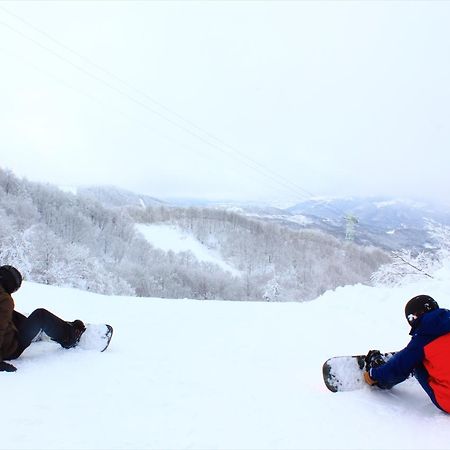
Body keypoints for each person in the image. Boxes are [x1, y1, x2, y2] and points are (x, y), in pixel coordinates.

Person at [364, 294, 450, 413]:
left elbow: (397, 368)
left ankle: (384, 382)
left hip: (448, 402)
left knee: (415, 362)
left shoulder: (423, 338)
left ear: (414, 316)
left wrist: (373, 375)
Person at [0, 265, 86, 373]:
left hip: (8, 339)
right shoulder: (4, 300)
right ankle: (70, 337)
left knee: (12, 315)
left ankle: (51, 330)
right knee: (40, 315)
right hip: (11, 348)